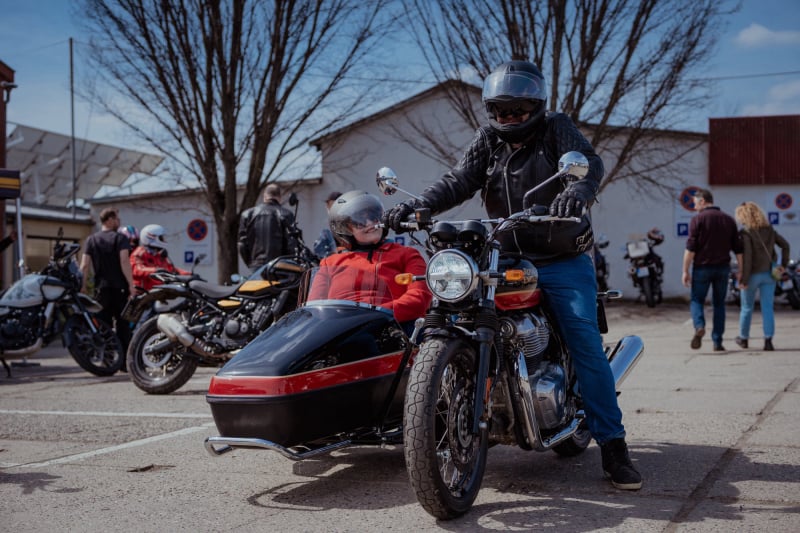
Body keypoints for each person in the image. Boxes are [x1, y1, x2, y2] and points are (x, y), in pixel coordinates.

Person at [384, 60, 642, 490]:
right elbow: (459, 179)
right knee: (456, 315)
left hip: (560, 255)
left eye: (518, 109)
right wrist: (418, 205)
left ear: (536, 106)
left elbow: (590, 164)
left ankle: (614, 446)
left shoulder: (557, 128)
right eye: (501, 110)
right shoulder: (488, 140)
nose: (509, 117)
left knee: (582, 338)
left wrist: (577, 192)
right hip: (502, 255)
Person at [309, 190, 431, 330]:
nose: (369, 223)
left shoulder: (407, 254)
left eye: (374, 217)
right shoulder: (330, 263)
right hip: (341, 332)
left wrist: (374, 317)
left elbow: (419, 298)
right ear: (346, 229)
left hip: (393, 330)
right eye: (359, 221)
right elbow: (314, 309)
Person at [681, 189, 743, 352]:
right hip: (722, 268)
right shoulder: (728, 220)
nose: (694, 207)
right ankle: (717, 342)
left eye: (695, 203)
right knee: (719, 305)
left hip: (702, 267)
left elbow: (691, 248)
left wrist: (685, 270)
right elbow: (738, 249)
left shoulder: (697, 220)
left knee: (696, 300)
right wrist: (741, 270)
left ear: (702, 201)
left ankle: (699, 326)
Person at [733, 202, 790, 351]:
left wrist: (744, 279)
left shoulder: (745, 232)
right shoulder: (769, 229)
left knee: (746, 308)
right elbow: (785, 245)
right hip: (769, 275)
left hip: (752, 275)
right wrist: (783, 265)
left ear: (743, 215)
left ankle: (743, 339)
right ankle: (768, 341)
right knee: (767, 308)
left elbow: (748, 257)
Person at [79, 207, 136, 358]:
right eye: (117, 219)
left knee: (103, 324)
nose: (119, 222)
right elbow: (124, 261)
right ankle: (125, 361)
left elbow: (84, 265)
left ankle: (107, 359)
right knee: (123, 325)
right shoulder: (120, 239)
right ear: (110, 220)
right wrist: (131, 285)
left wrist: (82, 285)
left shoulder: (91, 240)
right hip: (119, 288)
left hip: (101, 289)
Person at [238, 183, 298, 271]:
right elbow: (292, 244)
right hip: (279, 267)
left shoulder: (247, 215)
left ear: (265, 196)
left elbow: (242, 245)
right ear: (279, 197)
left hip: (256, 266)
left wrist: (251, 263)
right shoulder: (286, 214)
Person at [130, 224, 190, 292]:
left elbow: (170, 269)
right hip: (142, 293)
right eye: (161, 238)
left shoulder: (158, 255)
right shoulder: (139, 253)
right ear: (151, 237)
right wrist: (155, 270)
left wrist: (188, 275)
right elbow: (136, 270)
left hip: (157, 292)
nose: (163, 240)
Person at [312, 191, 342, 259]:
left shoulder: (353, 227)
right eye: (330, 206)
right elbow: (318, 253)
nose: (333, 210)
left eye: (336, 206)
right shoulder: (326, 234)